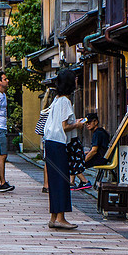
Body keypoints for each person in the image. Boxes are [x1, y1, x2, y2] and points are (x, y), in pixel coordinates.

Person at [43, 69, 85, 229]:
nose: (76, 81)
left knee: (54, 181)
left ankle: (54, 217)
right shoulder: (66, 101)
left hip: (50, 142)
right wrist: (79, 124)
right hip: (59, 143)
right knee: (62, 180)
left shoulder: (56, 100)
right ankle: (60, 217)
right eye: (74, 79)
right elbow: (65, 126)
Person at [34, 88, 57, 193]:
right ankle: (49, 184)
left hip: (45, 138)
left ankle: (46, 184)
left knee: (47, 162)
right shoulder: (52, 111)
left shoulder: (44, 110)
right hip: (52, 137)